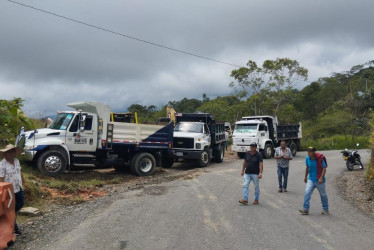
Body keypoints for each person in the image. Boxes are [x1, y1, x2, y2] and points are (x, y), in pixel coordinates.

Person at [0, 144, 26, 235]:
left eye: (13, 151)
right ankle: (15, 229)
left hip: (18, 186)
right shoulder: (2, 164)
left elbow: (19, 172)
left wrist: (24, 182)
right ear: (6, 153)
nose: (12, 153)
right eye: (10, 151)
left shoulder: (16, 161)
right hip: (9, 191)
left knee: (21, 202)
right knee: (11, 210)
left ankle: (8, 215)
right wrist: (3, 191)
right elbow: (1, 178)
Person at [299, 146, 329, 215]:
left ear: (314, 152)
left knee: (323, 195)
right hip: (311, 179)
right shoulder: (307, 158)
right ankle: (306, 209)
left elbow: (324, 168)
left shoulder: (320, 158)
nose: (308, 153)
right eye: (308, 151)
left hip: (319, 180)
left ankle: (325, 208)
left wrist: (321, 177)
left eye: (310, 151)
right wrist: (305, 176)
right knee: (307, 192)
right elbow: (307, 167)